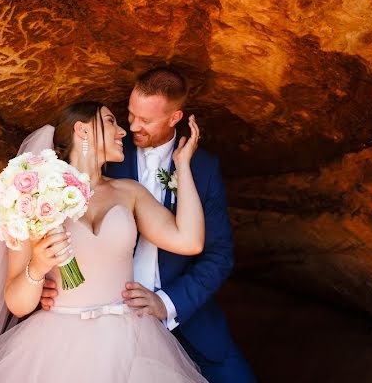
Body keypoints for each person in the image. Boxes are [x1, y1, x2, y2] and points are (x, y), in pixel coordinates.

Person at [0, 100, 208, 382]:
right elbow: (17, 303)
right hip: (57, 340)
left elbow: (190, 241)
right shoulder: (32, 194)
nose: (122, 131)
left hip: (130, 336)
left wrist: (183, 164)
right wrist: (37, 267)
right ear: (83, 129)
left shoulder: (130, 192)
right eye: (111, 121)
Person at [42, 68, 255, 383]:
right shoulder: (107, 152)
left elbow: (217, 254)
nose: (131, 127)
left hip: (185, 317)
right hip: (102, 320)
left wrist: (168, 303)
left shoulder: (203, 168)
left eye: (145, 120)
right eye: (129, 114)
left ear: (174, 117)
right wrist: (45, 280)